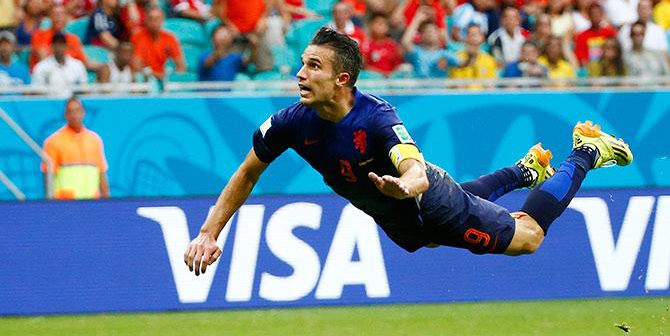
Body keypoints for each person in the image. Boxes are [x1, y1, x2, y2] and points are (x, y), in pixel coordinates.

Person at [183, 27, 633, 276]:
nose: (300, 73)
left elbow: (413, 165)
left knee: (528, 237)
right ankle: (523, 171)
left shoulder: (377, 118)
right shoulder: (288, 123)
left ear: (342, 80)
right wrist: (208, 232)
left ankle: (587, 152)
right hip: (399, 220)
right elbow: (246, 174)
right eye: (302, 63)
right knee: (434, 234)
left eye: (313, 66)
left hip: (428, 202)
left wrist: (407, 185)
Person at [41, 96, 109, 200]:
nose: (75, 115)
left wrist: (106, 199)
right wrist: (50, 204)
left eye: (77, 111)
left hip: (92, 202)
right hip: (66, 203)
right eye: (71, 112)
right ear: (65, 115)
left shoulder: (94, 140)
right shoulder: (54, 141)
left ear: (83, 112)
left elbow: (101, 173)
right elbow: (48, 176)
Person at [130, 5, 185, 78]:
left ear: (162, 20)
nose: (154, 22)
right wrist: (158, 76)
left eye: (157, 19)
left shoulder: (170, 38)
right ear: (145, 20)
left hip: (165, 80)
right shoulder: (137, 37)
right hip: (146, 79)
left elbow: (181, 66)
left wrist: (173, 78)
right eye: (151, 19)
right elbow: (136, 66)